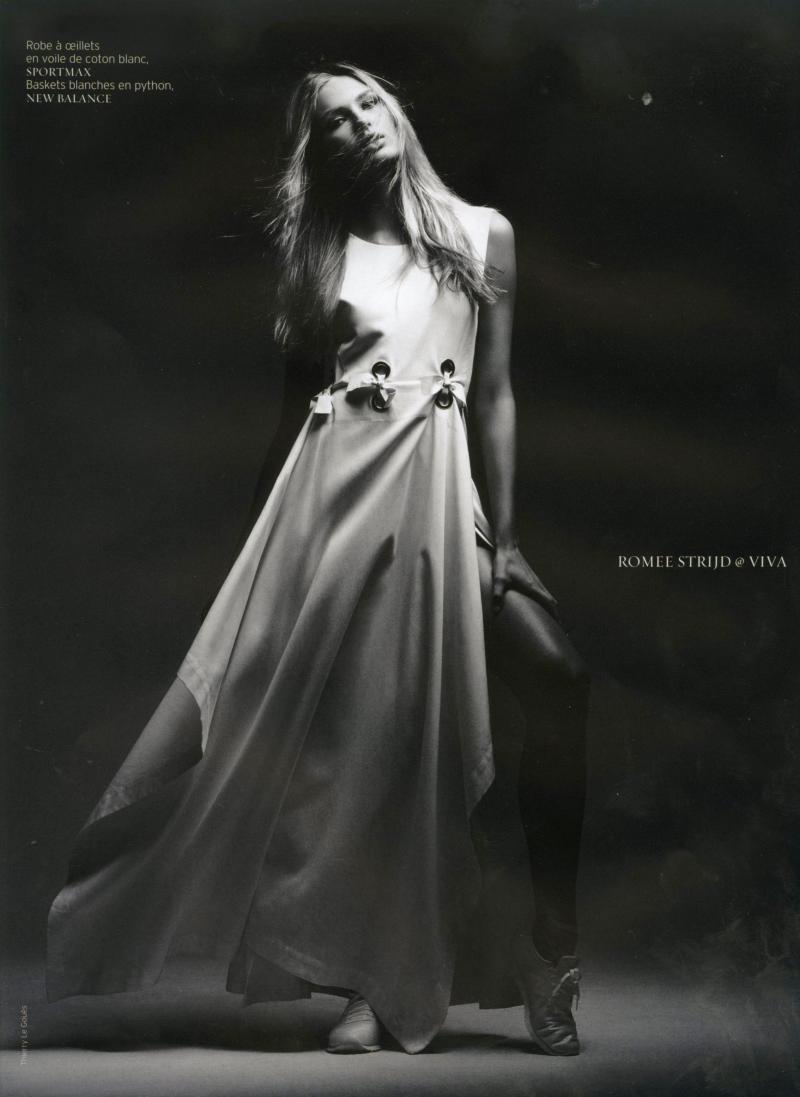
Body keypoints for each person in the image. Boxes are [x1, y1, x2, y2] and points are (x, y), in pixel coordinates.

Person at [45, 62, 590, 1058]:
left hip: (441, 506)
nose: (362, 123)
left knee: (556, 676)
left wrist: (504, 538)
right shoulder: (323, 259)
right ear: (320, 153)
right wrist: (262, 570)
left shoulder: (483, 233)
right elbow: (295, 415)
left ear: (399, 110)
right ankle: (366, 981)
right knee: (364, 745)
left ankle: (552, 945)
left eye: (371, 101)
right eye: (337, 120)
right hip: (334, 514)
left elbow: (495, 393)